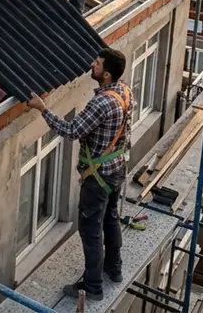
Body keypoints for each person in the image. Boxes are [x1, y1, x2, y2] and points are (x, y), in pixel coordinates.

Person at [27, 49, 133, 302]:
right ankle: (113, 269)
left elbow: (71, 130)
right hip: (115, 169)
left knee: (91, 230)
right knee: (110, 218)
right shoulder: (124, 92)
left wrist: (43, 109)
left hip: (98, 178)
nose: (91, 65)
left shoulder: (101, 103)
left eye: (96, 64)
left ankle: (93, 285)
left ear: (106, 74)